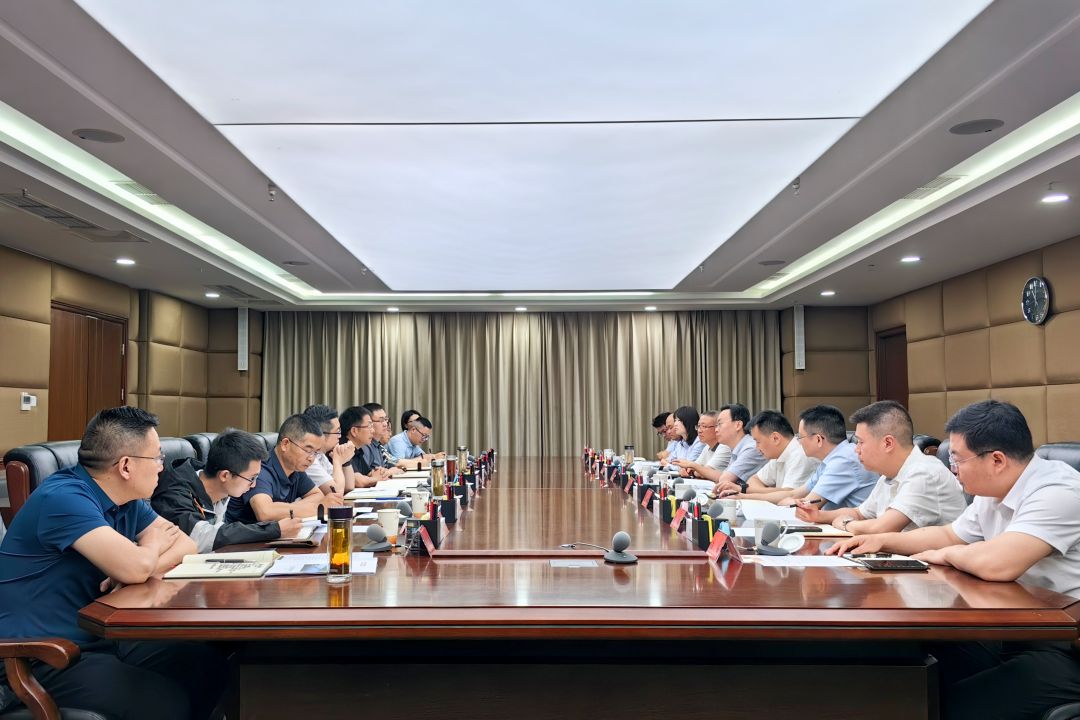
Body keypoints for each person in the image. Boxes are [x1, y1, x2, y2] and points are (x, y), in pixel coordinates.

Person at [829, 400, 1080, 719]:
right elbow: (949, 534)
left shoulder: (1058, 491)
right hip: (1018, 628)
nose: (952, 468)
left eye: (958, 459)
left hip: (1066, 644)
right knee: (910, 659)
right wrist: (882, 541)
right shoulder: (995, 489)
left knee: (947, 705)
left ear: (997, 460)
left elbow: (998, 564)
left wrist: (945, 555)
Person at [0, 406, 225, 720]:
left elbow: (186, 544)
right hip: (39, 655)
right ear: (126, 466)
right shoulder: (64, 498)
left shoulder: (126, 500)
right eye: (157, 457)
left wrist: (144, 564)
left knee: (208, 665)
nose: (162, 467)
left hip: (96, 637)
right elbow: (136, 567)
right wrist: (150, 548)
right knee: (165, 702)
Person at [795, 401, 965, 534]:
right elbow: (860, 513)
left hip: (933, 567)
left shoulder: (924, 473)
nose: (856, 449)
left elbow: (881, 528)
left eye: (861, 442)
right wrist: (818, 515)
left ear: (888, 443)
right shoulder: (888, 475)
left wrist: (846, 524)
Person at [152, 429, 303, 552]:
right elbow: (200, 538)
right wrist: (275, 529)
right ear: (225, 475)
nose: (253, 485)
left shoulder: (222, 491)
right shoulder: (175, 493)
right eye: (251, 478)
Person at [225, 413, 343, 524]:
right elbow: (265, 513)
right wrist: (316, 508)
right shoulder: (261, 469)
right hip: (241, 536)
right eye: (308, 450)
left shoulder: (295, 468)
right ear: (285, 444)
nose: (311, 458)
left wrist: (286, 509)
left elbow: (317, 496)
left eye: (315, 452)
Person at [766, 405, 877, 509]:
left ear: (818, 439)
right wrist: (754, 497)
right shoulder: (831, 459)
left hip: (851, 522)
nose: (799, 442)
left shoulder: (844, 460)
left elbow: (806, 507)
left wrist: (788, 502)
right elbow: (794, 494)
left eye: (800, 437)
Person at [741, 409, 818, 496]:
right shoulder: (778, 454)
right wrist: (777, 491)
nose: (756, 448)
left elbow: (790, 495)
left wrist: (752, 491)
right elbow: (753, 480)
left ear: (775, 438)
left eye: (758, 442)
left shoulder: (801, 455)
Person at [710, 403, 768, 491]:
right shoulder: (736, 448)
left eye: (720, 424)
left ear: (738, 425)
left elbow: (724, 479)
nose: (716, 429)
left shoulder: (751, 447)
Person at [301, 404, 357, 493]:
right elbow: (336, 491)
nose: (340, 436)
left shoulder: (320, 455)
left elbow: (348, 486)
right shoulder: (308, 458)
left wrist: (346, 461)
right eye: (337, 431)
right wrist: (338, 461)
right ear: (320, 434)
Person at [340, 405, 395, 488]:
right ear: (354, 431)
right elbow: (358, 481)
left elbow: (369, 474)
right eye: (369, 426)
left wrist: (380, 472)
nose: (372, 431)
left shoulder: (358, 450)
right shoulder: (343, 447)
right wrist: (376, 478)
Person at [671, 411, 731, 478]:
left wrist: (693, 469)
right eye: (699, 426)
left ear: (717, 428)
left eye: (704, 426)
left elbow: (707, 472)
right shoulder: (707, 447)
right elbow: (693, 468)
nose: (699, 430)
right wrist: (689, 469)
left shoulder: (724, 447)